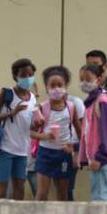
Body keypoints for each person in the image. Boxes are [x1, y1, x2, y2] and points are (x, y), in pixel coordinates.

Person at [0, 58, 39, 201]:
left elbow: (28, 124)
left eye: (30, 74)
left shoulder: (32, 97)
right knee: (1, 192)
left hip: (23, 151)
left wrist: (37, 125)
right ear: (15, 76)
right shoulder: (7, 93)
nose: (27, 78)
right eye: (23, 75)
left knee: (19, 190)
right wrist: (11, 113)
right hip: (5, 149)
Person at [31, 66, 81, 201]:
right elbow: (31, 132)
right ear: (47, 88)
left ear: (65, 87)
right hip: (45, 153)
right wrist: (45, 136)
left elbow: (79, 129)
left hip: (64, 155)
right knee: (42, 193)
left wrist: (77, 149)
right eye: (52, 86)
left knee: (63, 194)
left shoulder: (71, 107)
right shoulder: (42, 107)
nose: (56, 89)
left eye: (60, 85)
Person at [78, 63, 107, 201]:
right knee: (97, 196)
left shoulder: (102, 102)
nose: (84, 83)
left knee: (101, 198)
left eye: (88, 79)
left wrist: (101, 157)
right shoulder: (91, 103)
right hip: (96, 158)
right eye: (81, 79)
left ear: (99, 79)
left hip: (101, 159)